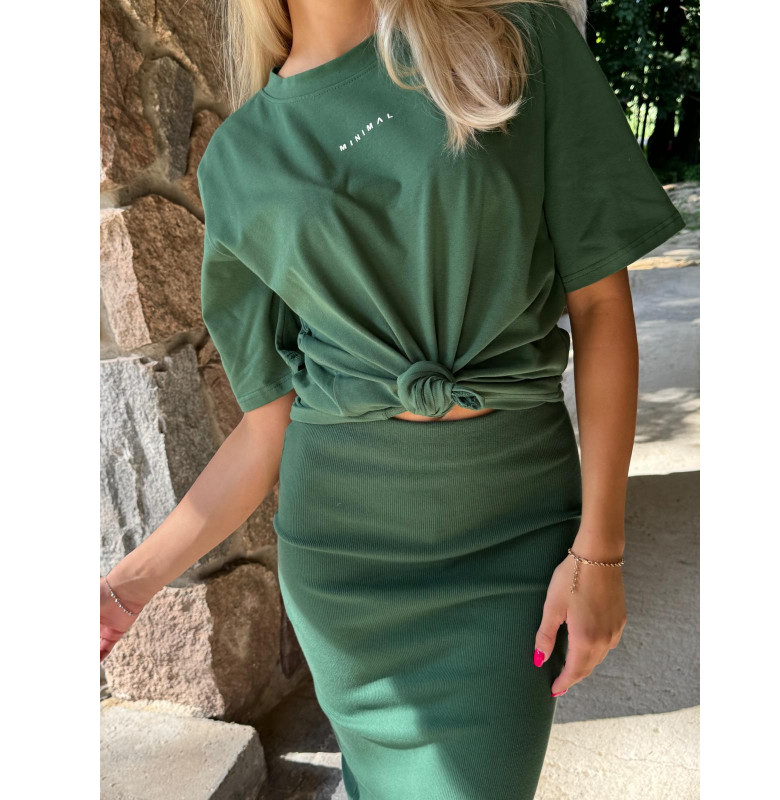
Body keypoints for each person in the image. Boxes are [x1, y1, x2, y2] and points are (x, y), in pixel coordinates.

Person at [100, 0, 685, 797]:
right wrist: (126, 588)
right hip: (345, 567)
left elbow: (602, 306)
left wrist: (601, 550)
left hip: (511, 537)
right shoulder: (240, 158)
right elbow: (267, 427)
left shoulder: (515, 44)